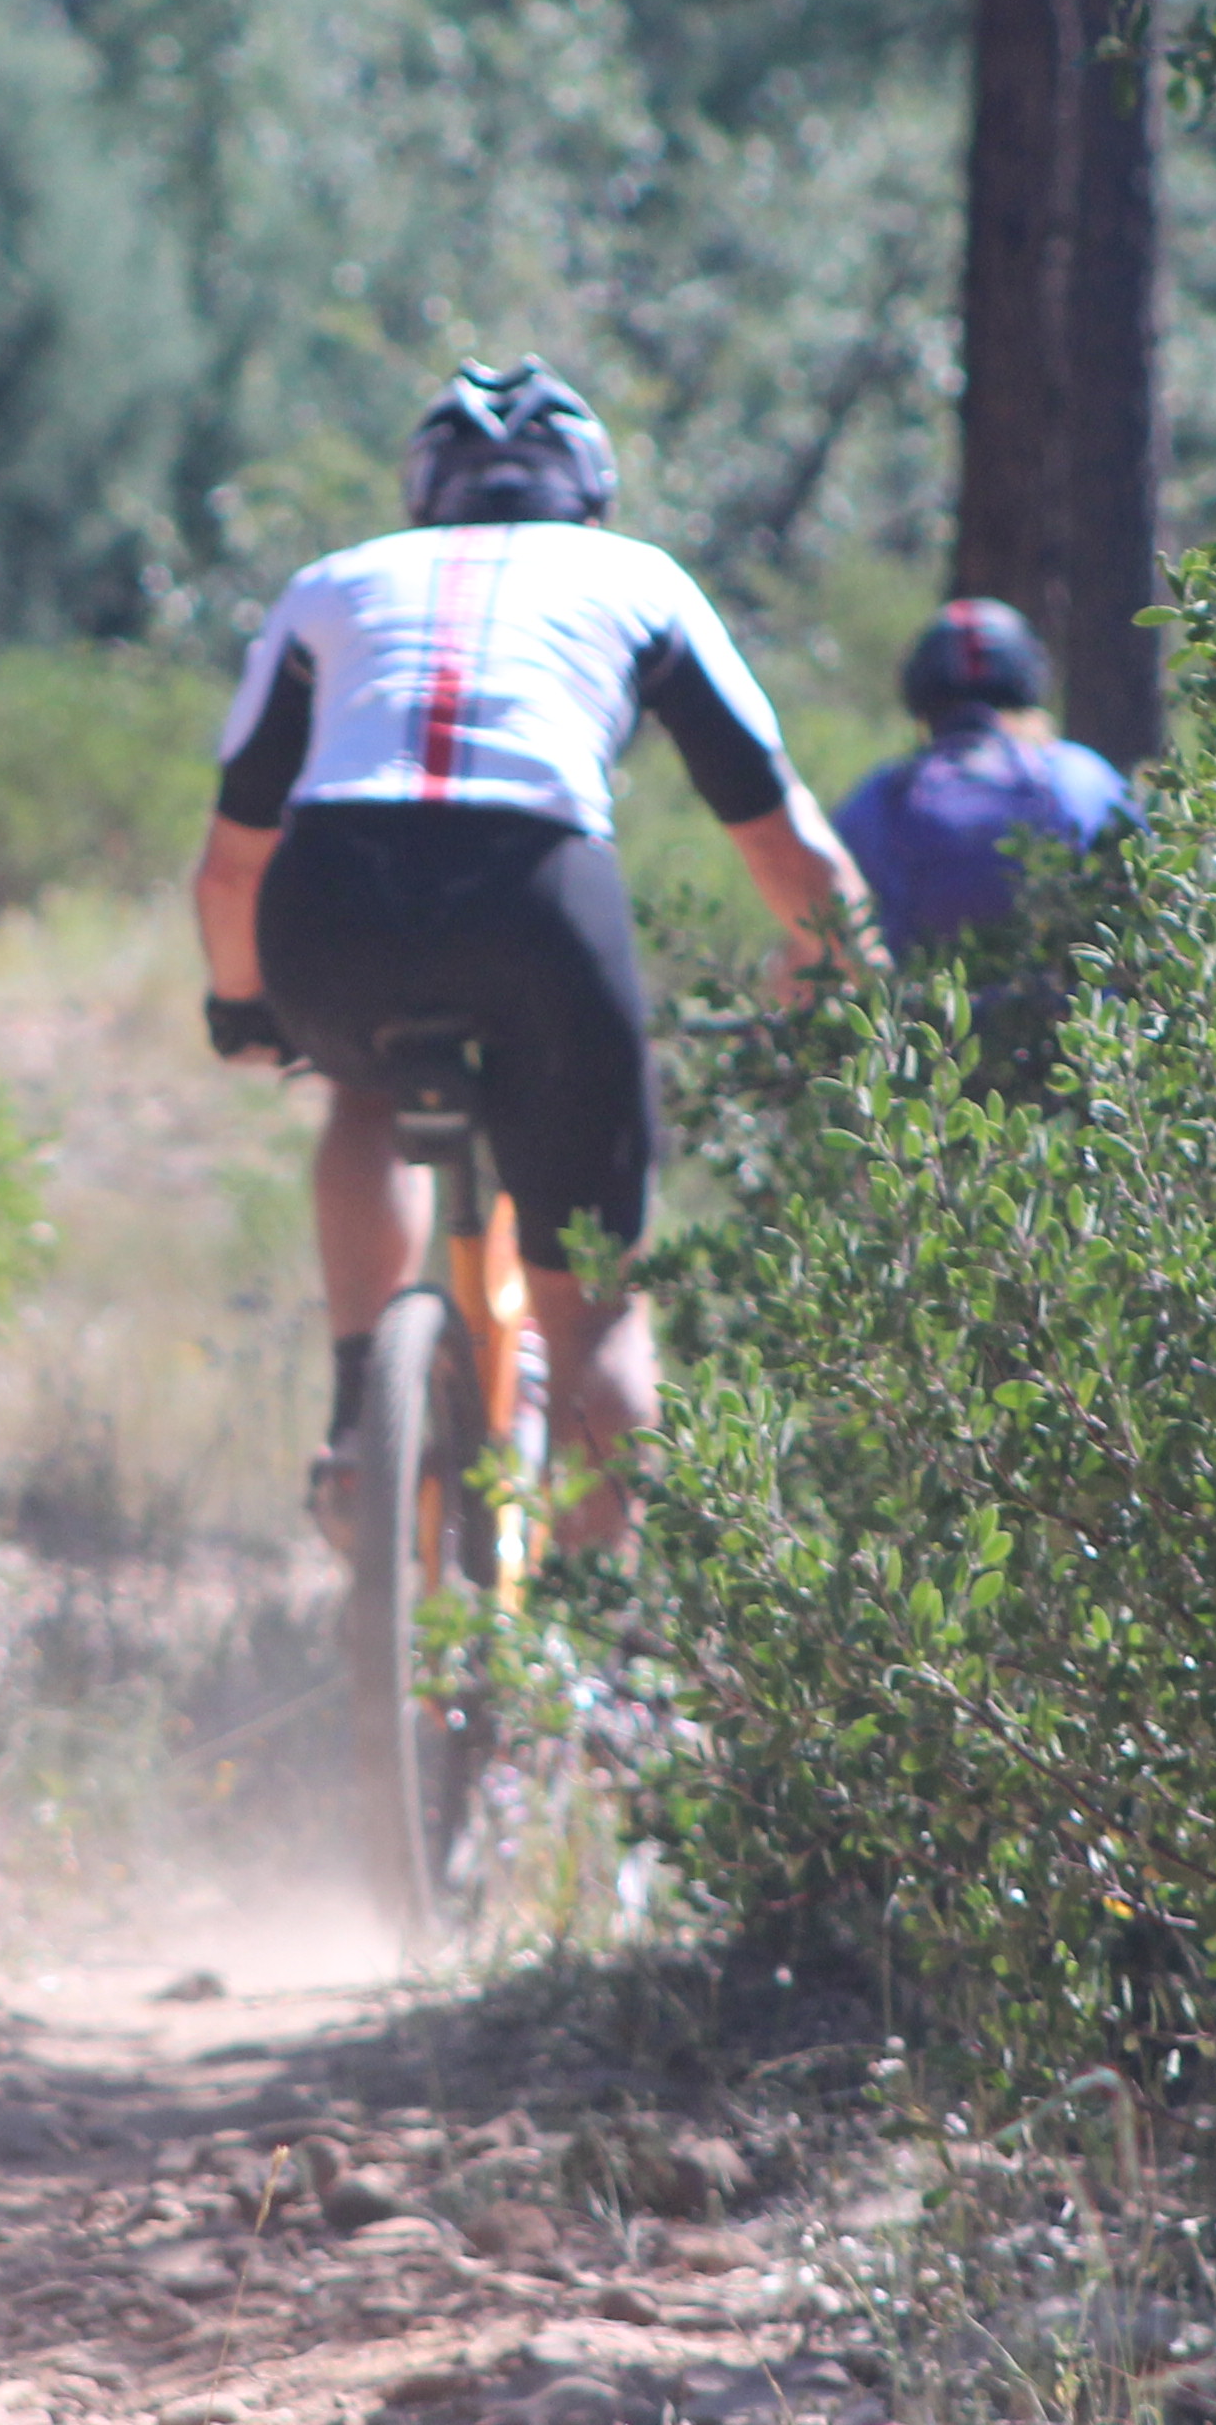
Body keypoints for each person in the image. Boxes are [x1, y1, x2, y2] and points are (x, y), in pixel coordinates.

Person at [190, 360, 873, 1552]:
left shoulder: (333, 583)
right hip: (538, 897)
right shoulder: (638, 578)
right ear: (591, 495)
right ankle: (589, 1621)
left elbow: (228, 870)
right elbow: (785, 844)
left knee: (360, 1085)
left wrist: (244, 1007)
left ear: (422, 495)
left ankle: (360, 1417)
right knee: (596, 1311)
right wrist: (843, 989)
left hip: (334, 898)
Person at [827, 596, 1141, 956]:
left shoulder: (881, 798)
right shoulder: (1082, 775)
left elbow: (822, 925)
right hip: (1073, 989)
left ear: (920, 705)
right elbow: (1151, 895)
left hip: (920, 991)